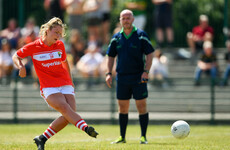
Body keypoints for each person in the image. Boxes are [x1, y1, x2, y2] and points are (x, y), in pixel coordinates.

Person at [12, 17, 98, 150]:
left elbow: (65, 63)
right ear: (47, 30)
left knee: (70, 113)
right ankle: (86, 128)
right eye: (56, 32)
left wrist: (70, 81)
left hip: (65, 82)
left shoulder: (60, 45)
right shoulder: (34, 46)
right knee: (65, 109)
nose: (58, 36)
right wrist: (21, 66)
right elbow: (16, 56)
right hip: (48, 86)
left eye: (60, 33)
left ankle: (42, 138)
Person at [105, 9, 154, 144]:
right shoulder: (116, 38)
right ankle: (122, 137)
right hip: (122, 77)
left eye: (128, 18)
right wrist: (108, 73)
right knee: (122, 107)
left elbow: (150, 54)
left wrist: (146, 71)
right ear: (120, 20)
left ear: (133, 20)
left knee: (141, 105)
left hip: (139, 77)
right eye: (123, 18)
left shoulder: (141, 35)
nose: (126, 20)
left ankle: (143, 136)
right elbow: (110, 56)